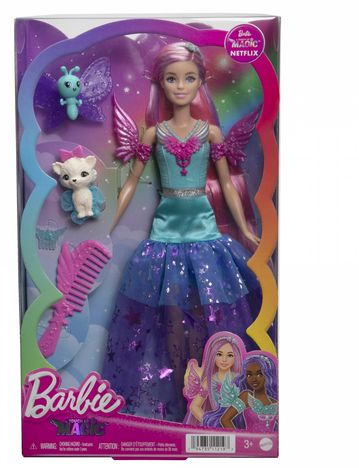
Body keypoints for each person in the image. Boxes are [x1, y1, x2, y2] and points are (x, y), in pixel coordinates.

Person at [102, 42, 261, 422]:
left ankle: (214, 398)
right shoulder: (153, 134)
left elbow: (227, 185)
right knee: (169, 322)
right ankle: (178, 399)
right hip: (166, 236)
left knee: (213, 315)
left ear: (201, 81)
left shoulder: (211, 134)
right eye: (172, 79)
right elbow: (131, 182)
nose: (180, 86)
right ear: (161, 82)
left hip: (205, 235)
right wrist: (105, 227)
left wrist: (245, 228)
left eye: (189, 78)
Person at [183, 332, 245, 426]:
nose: (224, 359)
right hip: (217, 423)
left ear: (235, 357)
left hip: (238, 422)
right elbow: (194, 406)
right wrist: (209, 421)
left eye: (230, 355)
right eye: (219, 354)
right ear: (213, 355)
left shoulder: (240, 378)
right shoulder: (209, 381)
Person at [220, 353, 278, 432]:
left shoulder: (276, 403)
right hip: (248, 440)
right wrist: (239, 437)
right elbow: (225, 419)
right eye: (249, 375)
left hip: (270, 440)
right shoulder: (246, 397)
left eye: (259, 374)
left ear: (267, 375)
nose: (254, 379)